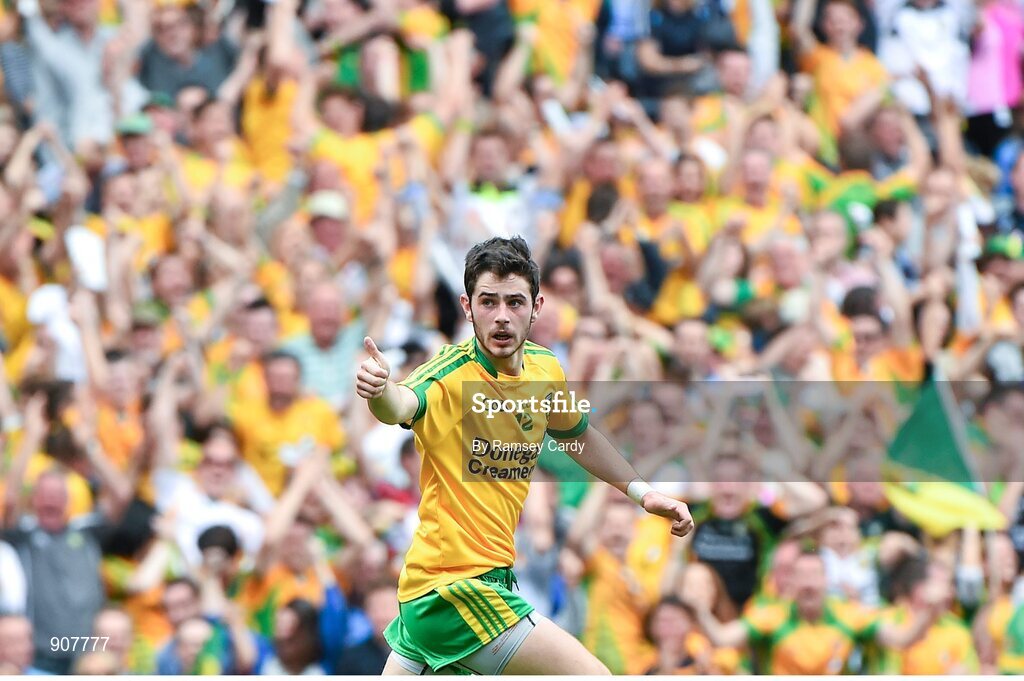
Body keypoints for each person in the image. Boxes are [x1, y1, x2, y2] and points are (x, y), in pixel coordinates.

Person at [355, 235, 694, 675]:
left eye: (514, 302)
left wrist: (644, 495)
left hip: (455, 589)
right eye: (488, 301)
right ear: (466, 306)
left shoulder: (544, 368)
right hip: (455, 590)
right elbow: (401, 404)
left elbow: (578, 436)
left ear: (536, 307)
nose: (500, 317)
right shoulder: (449, 374)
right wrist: (380, 390)